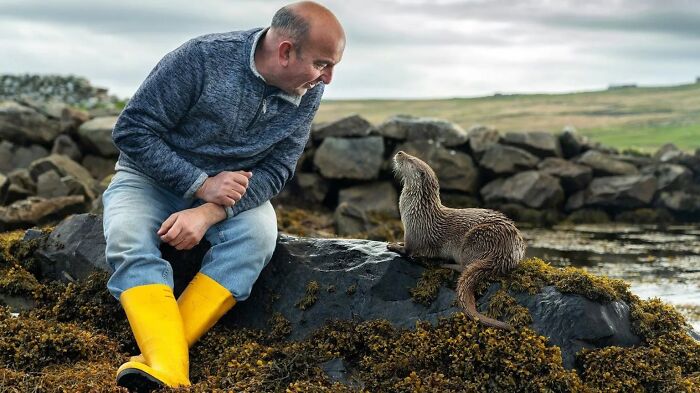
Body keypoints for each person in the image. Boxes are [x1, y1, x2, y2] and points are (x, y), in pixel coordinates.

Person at [101, 2, 345, 390]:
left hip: (231, 195)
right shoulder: (200, 58)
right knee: (128, 237)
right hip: (147, 180)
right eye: (322, 64)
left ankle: (163, 360)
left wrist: (210, 211)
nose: (328, 78)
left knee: (258, 238)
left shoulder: (306, 89)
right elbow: (132, 131)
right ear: (285, 51)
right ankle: (171, 366)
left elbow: (278, 170)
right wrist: (200, 183)